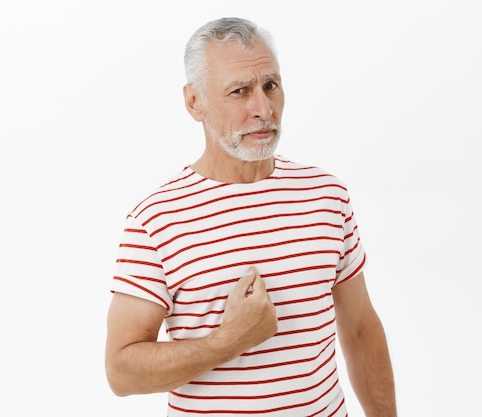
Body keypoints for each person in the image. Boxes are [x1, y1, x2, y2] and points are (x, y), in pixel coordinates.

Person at [105, 17, 397, 417]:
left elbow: (361, 328)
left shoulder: (326, 195)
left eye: (270, 86)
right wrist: (229, 340)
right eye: (239, 91)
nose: (263, 109)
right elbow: (121, 371)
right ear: (195, 102)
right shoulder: (156, 219)